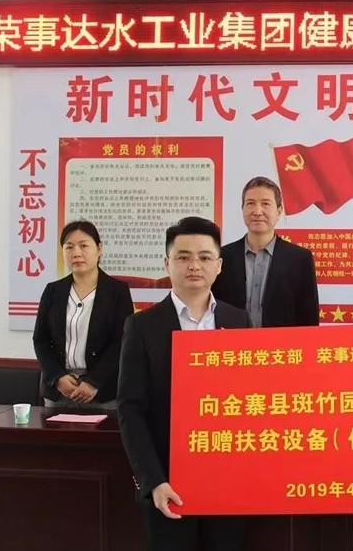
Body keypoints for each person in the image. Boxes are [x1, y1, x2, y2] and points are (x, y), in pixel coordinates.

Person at [118, 217, 251, 551]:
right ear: (167, 263)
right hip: (168, 484)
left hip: (227, 482)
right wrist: (154, 481)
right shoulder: (141, 326)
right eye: (183, 257)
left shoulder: (238, 320)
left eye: (205, 257)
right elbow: (130, 410)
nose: (194, 265)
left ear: (219, 266)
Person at [33, 220, 133, 408]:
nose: (76, 253)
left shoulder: (118, 292)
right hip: (60, 390)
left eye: (84, 246)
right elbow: (41, 340)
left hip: (101, 392)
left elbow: (121, 342)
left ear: (99, 249)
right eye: (69, 247)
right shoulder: (53, 291)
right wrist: (58, 377)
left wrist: (94, 381)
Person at [212, 176, 319, 327]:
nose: (257, 211)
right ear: (242, 209)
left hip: (281, 342)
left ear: (279, 211)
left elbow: (309, 319)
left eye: (265, 204)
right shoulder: (222, 257)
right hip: (231, 341)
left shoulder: (300, 259)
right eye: (250, 203)